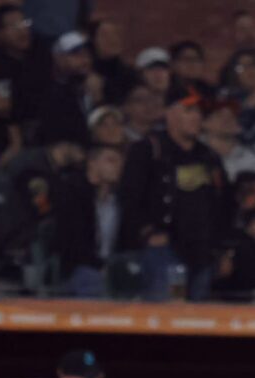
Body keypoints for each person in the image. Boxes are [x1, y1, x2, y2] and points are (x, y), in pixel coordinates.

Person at [118, 82, 228, 300]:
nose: (197, 117)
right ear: (169, 113)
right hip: (166, 251)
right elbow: (129, 197)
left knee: (197, 324)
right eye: (189, 110)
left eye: (199, 111)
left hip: (202, 252)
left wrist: (224, 249)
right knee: (169, 318)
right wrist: (147, 232)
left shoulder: (208, 156)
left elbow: (223, 202)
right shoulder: (148, 150)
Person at [50, 144, 125, 296]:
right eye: (111, 161)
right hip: (81, 267)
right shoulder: (73, 192)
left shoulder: (119, 199)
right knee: (91, 280)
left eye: (120, 162)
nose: (118, 167)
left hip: (114, 265)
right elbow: (74, 242)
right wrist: (100, 266)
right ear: (92, 162)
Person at [0, 3, 52, 128]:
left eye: (24, 23)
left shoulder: (44, 52)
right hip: (19, 127)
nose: (22, 30)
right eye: (13, 26)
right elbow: (4, 106)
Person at [34, 31, 101, 145]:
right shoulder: (50, 94)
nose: (85, 60)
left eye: (87, 54)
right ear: (58, 58)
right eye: (76, 55)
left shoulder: (97, 83)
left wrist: (98, 97)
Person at [201, 100, 255, 182]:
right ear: (204, 123)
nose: (227, 119)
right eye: (219, 115)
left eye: (232, 115)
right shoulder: (192, 153)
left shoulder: (251, 160)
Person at [89, 19, 137, 106]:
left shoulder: (131, 76)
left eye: (115, 34)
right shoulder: (86, 73)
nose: (112, 39)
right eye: (105, 35)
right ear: (93, 40)